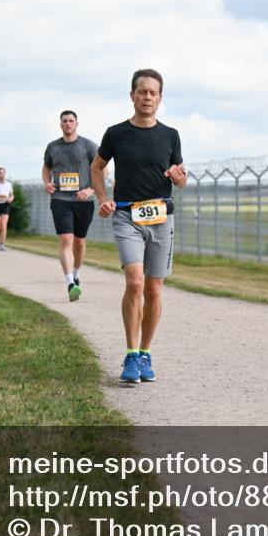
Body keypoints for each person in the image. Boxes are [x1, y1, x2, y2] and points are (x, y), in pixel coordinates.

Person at [91, 68, 187, 385]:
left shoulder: (170, 135)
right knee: (134, 282)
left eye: (153, 92)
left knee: (154, 289)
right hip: (127, 216)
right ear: (131, 95)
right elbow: (97, 167)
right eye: (142, 91)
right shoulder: (116, 134)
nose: (147, 97)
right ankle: (131, 354)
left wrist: (179, 177)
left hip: (161, 217)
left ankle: (146, 353)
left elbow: (181, 177)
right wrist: (102, 197)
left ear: (160, 98)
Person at [42, 110, 98, 301]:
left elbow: (103, 170)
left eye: (71, 121)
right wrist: (46, 183)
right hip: (60, 200)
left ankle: (76, 274)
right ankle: (70, 283)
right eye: (64, 121)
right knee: (66, 240)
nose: (67, 124)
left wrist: (90, 190)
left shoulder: (88, 145)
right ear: (60, 124)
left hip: (83, 201)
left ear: (76, 123)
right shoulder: (53, 147)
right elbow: (47, 167)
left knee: (79, 243)